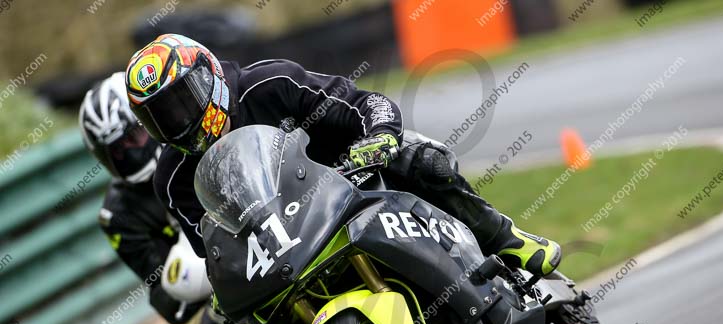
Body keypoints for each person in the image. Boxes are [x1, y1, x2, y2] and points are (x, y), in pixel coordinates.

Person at [125, 33, 561, 282]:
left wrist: (378, 139)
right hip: (291, 244)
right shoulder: (173, 179)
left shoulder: (269, 84)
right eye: (159, 117)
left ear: (209, 77)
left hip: (358, 180)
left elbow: (362, 102)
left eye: (182, 102)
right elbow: (213, 252)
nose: (176, 122)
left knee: (423, 163)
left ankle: (507, 239)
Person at [78, 72, 261, 324]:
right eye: (117, 152)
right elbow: (165, 300)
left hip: (273, 221)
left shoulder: (197, 137)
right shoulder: (118, 215)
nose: (129, 154)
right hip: (223, 283)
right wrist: (183, 278)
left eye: (132, 138)